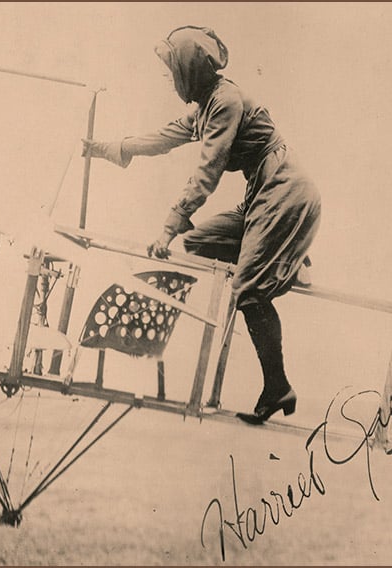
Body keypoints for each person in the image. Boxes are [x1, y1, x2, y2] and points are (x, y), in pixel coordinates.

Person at [83, 25, 321, 423]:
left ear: (188, 69)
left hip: (284, 191)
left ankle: (277, 385)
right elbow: (163, 138)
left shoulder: (225, 101)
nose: (169, 78)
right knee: (198, 243)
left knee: (247, 288)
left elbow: (207, 171)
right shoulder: (206, 106)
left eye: (171, 69)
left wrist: (168, 224)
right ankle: (282, 260)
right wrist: (109, 149)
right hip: (262, 194)